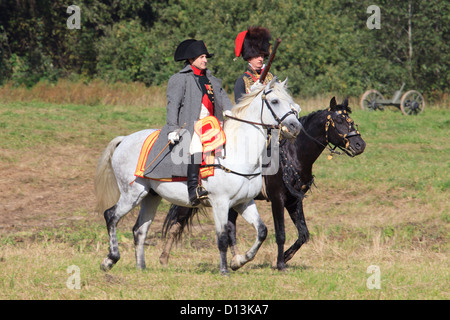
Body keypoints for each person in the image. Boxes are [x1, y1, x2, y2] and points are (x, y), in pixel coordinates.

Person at [144, 39, 233, 206]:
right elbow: (173, 105)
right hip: (192, 126)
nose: (205, 60)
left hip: (213, 124)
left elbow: (222, 96)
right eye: (201, 57)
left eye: (206, 57)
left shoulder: (211, 78)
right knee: (196, 146)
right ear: (191, 59)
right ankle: (193, 190)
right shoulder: (180, 79)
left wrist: (229, 109)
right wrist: (172, 128)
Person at [233, 26, 274, 103]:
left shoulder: (271, 77)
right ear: (249, 58)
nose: (260, 59)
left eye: (262, 56)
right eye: (257, 56)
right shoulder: (242, 81)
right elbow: (240, 108)